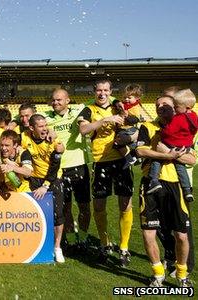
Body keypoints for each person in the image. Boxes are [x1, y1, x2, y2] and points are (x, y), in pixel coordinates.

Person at [136, 95, 194, 287]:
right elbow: (141, 151)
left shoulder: (183, 127)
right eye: (157, 105)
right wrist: (166, 154)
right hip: (150, 184)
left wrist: (171, 154)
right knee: (148, 232)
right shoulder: (148, 127)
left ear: (174, 108)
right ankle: (158, 273)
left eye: (165, 105)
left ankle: (182, 274)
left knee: (182, 235)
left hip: (175, 184)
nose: (160, 107)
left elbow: (191, 160)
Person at [77, 79, 134, 266]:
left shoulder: (119, 107)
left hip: (122, 161)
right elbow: (84, 130)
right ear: (94, 92)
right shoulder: (89, 110)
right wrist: (104, 120)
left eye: (106, 90)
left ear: (111, 91)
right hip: (100, 162)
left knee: (125, 204)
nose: (102, 93)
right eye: (99, 90)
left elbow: (135, 126)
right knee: (99, 206)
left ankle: (124, 248)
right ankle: (104, 244)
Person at [45, 89, 91, 248]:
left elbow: (103, 99)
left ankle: (84, 237)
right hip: (60, 169)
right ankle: (71, 239)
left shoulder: (79, 111)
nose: (55, 103)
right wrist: (49, 131)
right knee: (65, 207)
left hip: (79, 165)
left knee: (84, 206)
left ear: (68, 101)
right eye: (53, 100)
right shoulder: (46, 117)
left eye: (59, 100)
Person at [24, 114, 66, 263]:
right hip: (34, 179)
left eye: (45, 125)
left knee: (57, 214)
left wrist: (46, 185)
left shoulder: (52, 139)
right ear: (31, 128)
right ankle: (37, 244)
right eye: (40, 126)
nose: (44, 129)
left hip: (54, 179)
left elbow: (57, 159)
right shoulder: (25, 138)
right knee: (34, 214)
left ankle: (57, 247)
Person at [147, 89, 197, 202]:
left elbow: (169, 131)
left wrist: (162, 132)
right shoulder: (194, 116)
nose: (174, 108)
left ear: (187, 107)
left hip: (171, 144)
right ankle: (187, 189)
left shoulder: (178, 118)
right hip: (185, 146)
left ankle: (154, 180)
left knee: (157, 159)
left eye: (176, 106)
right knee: (181, 167)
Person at [112, 84, 149, 169]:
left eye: (129, 98)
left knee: (117, 143)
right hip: (124, 129)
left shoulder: (135, 107)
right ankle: (137, 155)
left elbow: (135, 119)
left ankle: (130, 158)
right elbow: (115, 102)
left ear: (137, 98)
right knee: (129, 144)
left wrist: (126, 116)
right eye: (125, 97)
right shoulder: (125, 105)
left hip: (128, 129)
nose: (126, 99)